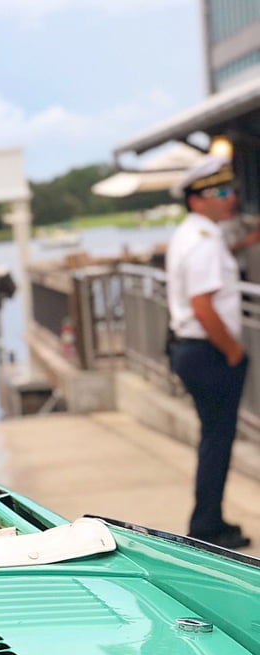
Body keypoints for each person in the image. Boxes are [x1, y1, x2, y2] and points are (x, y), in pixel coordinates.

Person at [166, 154, 253, 549]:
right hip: (209, 353)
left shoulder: (195, 234)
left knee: (213, 439)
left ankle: (209, 519)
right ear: (196, 200)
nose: (229, 198)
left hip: (191, 349)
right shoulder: (203, 240)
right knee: (217, 440)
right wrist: (233, 351)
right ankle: (207, 526)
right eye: (220, 191)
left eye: (230, 189)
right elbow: (202, 304)